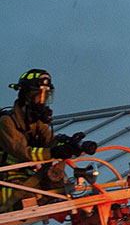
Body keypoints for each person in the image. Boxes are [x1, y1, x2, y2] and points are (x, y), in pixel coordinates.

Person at [0, 69, 97, 212]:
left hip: (23, 177)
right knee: (36, 195)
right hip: (6, 181)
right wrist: (55, 151)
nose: (42, 102)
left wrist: (70, 145)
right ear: (26, 96)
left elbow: (50, 143)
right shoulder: (7, 122)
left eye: (46, 97)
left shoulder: (35, 123)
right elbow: (23, 152)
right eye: (39, 96)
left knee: (58, 186)